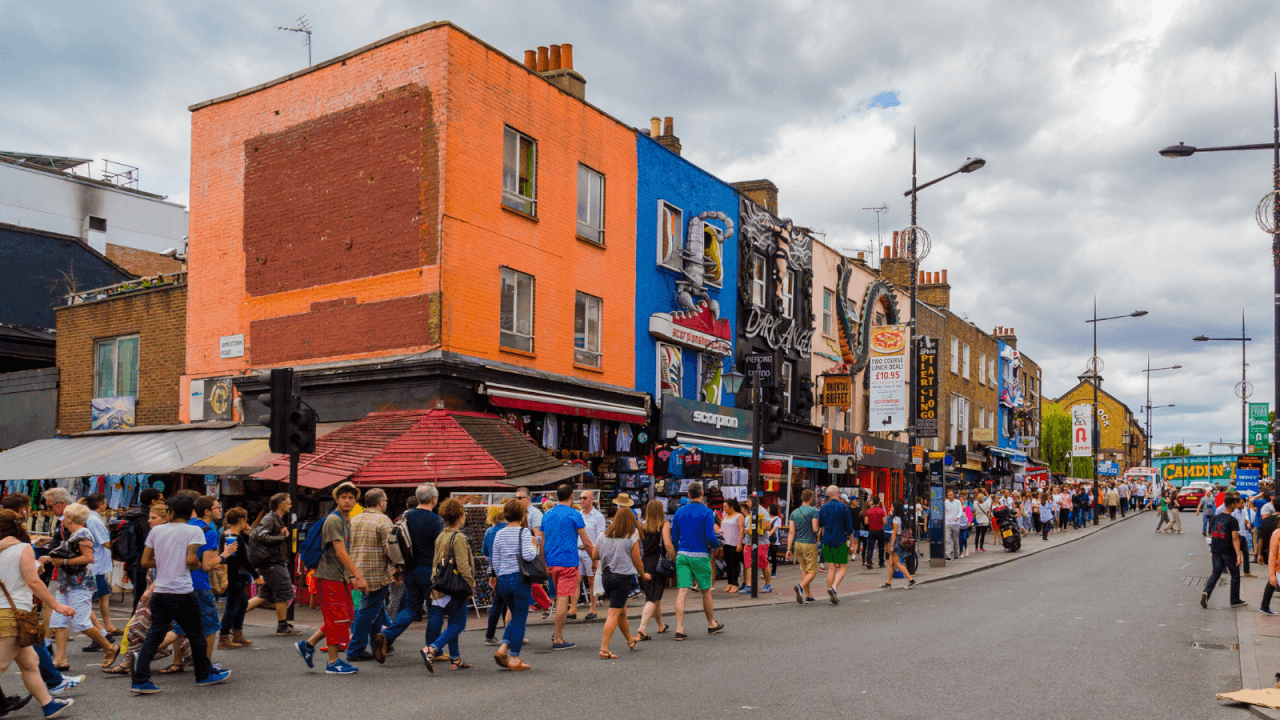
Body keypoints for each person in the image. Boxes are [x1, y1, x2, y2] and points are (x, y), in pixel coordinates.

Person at [131, 492, 231, 694]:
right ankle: (203, 675)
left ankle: (140, 678)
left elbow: (144, 562)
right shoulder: (194, 531)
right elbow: (192, 560)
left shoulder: (156, 532)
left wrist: (163, 563)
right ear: (190, 511)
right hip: (183, 591)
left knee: (155, 634)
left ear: (172, 511)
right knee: (196, 634)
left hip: (160, 591)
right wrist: (187, 564)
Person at [0, 495, 82, 699]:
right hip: (14, 609)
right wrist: (56, 606)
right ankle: (52, 687)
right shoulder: (22, 546)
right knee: (3, 663)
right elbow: (32, 580)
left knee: (30, 663)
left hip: (14, 608)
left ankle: (50, 701)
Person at [104, 504, 191, 677]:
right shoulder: (157, 535)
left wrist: (151, 588)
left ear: (166, 518)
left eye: (153, 518)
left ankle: (135, 661)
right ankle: (183, 660)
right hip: (159, 587)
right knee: (169, 626)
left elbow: (167, 564)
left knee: (140, 626)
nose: (149, 521)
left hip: (164, 589)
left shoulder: (168, 537)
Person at [295, 482, 368, 676]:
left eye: (351, 498)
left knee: (347, 615)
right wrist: (357, 576)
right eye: (343, 497)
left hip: (338, 576)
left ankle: (308, 645)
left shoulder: (346, 519)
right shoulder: (334, 520)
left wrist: (349, 576)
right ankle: (333, 662)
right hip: (328, 576)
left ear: (355, 500)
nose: (347, 500)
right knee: (337, 618)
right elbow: (341, 552)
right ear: (336, 499)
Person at [44, 503, 118, 671]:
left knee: (81, 623)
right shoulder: (74, 535)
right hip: (68, 583)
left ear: (70, 518)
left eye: (64, 516)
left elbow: (88, 558)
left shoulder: (83, 533)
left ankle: (109, 648)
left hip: (80, 584)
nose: (62, 520)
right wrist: (49, 559)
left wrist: (61, 561)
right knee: (58, 621)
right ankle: (60, 659)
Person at [376, 483, 442, 657]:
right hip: (429, 569)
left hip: (408, 568)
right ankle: (433, 648)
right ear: (434, 499)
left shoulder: (405, 517)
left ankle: (387, 636)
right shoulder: (436, 520)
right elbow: (441, 548)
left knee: (411, 608)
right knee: (435, 608)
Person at [421, 498, 475, 673]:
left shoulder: (441, 535)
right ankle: (433, 649)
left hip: (440, 585)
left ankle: (455, 658)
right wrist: (471, 585)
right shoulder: (458, 537)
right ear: (460, 516)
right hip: (456, 585)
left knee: (452, 621)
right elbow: (463, 565)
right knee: (458, 624)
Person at [541, 484, 594, 650]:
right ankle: (557, 637)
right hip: (568, 561)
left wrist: (543, 564)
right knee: (563, 598)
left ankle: (558, 632)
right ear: (571, 496)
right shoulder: (575, 514)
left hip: (551, 562)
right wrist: (595, 558)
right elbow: (586, 541)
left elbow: (542, 542)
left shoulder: (547, 514)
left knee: (558, 597)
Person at [591, 494, 644, 660]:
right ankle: (604, 648)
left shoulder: (603, 536)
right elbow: (637, 560)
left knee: (621, 611)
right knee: (614, 612)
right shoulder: (631, 538)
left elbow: (594, 555)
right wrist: (644, 574)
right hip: (623, 578)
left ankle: (629, 639)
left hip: (607, 576)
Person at [346, 488, 393, 663]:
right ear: (381, 502)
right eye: (386, 500)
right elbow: (391, 549)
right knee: (367, 610)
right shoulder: (383, 520)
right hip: (376, 573)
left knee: (376, 608)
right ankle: (356, 648)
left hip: (357, 571)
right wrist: (397, 568)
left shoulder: (354, 519)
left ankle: (377, 644)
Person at [671, 482, 723, 640]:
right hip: (700, 555)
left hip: (683, 554)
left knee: (682, 590)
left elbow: (674, 537)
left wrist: (677, 551)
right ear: (702, 495)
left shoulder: (679, 511)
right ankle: (711, 623)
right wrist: (717, 544)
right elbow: (709, 536)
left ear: (688, 495)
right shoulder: (708, 512)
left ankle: (679, 628)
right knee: (706, 590)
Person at [244, 493, 300, 636]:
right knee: (284, 593)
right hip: (273, 563)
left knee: (264, 595)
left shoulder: (276, 518)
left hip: (271, 563)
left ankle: (233, 620)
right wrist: (282, 536)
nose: (291, 506)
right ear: (281, 505)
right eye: (288, 503)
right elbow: (262, 536)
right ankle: (282, 627)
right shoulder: (270, 518)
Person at [490, 499, 537, 672]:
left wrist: (495, 575)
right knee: (520, 618)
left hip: (503, 579)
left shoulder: (499, 533)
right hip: (519, 578)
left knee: (515, 615)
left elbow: (495, 560)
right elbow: (529, 555)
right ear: (523, 514)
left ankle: (503, 648)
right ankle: (515, 658)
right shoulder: (524, 532)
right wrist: (535, 545)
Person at [186, 495, 234, 664]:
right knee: (210, 626)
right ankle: (205, 665)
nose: (220, 510)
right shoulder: (210, 532)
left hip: (182, 582)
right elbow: (207, 565)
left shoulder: (188, 525)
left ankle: (177, 661)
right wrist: (225, 554)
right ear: (207, 511)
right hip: (199, 582)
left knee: (180, 627)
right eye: (217, 507)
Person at [82, 495, 122, 639]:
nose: (106, 505)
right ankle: (100, 634)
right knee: (88, 601)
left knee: (104, 595)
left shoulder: (91, 518)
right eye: (105, 503)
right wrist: (121, 552)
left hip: (100, 564)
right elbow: (105, 542)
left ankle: (109, 625)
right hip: (97, 565)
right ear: (100, 505)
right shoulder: (94, 520)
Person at [217, 508, 256, 650]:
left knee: (243, 603)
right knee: (231, 608)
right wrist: (257, 576)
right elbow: (244, 559)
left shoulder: (225, 534)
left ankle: (237, 633)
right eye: (245, 519)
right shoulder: (237, 537)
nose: (247, 522)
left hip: (230, 575)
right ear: (241, 520)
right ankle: (224, 638)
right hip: (237, 576)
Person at [120, 488, 164, 613]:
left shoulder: (134, 516)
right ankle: (135, 628)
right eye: (161, 499)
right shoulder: (146, 521)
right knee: (142, 600)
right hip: (142, 565)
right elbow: (148, 545)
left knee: (140, 599)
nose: (163, 502)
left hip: (133, 563)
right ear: (153, 501)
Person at [636, 499, 673, 640]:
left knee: (653, 595)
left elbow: (634, 541)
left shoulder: (642, 526)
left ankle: (660, 625)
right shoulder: (663, 525)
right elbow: (668, 544)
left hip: (645, 562)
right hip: (658, 563)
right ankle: (642, 628)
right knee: (653, 597)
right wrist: (674, 558)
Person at [1202, 494, 1246, 610]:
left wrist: (1211, 551)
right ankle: (1234, 600)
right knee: (1235, 575)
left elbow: (1213, 535)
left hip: (1216, 550)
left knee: (1215, 573)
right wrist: (1238, 555)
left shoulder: (1215, 518)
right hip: (1228, 551)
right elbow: (1234, 538)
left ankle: (1206, 592)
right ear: (1232, 505)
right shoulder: (1232, 520)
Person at [818, 485, 853, 605]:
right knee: (843, 567)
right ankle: (833, 588)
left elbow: (821, 524)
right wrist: (852, 542)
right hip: (840, 539)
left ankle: (831, 596)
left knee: (831, 568)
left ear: (828, 494)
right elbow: (849, 528)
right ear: (838, 493)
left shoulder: (823, 508)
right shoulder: (844, 507)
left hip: (827, 539)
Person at [575, 490, 605, 621]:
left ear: (592, 499)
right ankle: (573, 609)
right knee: (576, 580)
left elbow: (600, 537)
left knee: (592, 580)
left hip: (591, 550)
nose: (581, 500)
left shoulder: (598, 516)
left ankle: (593, 609)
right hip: (578, 549)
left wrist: (596, 555)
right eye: (580, 498)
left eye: (584, 498)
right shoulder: (578, 515)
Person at [785, 489, 820, 604]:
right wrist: (818, 531)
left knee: (804, 569)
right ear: (811, 499)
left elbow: (791, 532)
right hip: (809, 543)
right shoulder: (813, 511)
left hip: (798, 544)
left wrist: (789, 548)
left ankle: (808, 596)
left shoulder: (794, 512)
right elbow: (815, 529)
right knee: (813, 571)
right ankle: (800, 586)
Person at [481, 505, 507, 647]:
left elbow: (484, 551)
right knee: (502, 603)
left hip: (492, 569)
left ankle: (495, 634)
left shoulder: (489, 531)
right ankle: (493, 634)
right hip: (506, 569)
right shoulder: (507, 530)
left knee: (499, 602)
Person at [739, 501, 772, 594]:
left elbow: (767, 526)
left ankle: (768, 584)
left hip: (760, 542)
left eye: (748, 501)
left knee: (763, 564)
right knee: (748, 564)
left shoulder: (762, 511)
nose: (746, 503)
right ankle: (749, 585)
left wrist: (752, 530)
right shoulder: (752, 511)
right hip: (749, 542)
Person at [881, 504, 916, 589]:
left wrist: (892, 545)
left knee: (897, 563)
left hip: (896, 541)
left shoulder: (896, 519)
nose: (890, 508)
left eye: (892, 506)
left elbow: (894, 533)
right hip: (899, 540)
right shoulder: (901, 518)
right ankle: (888, 583)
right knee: (891, 563)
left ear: (896, 509)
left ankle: (911, 580)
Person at [718, 499, 744, 594]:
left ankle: (735, 584)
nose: (724, 509)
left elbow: (741, 530)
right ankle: (729, 582)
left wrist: (740, 543)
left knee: (735, 564)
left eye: (725, 507)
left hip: (735, 543)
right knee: (728, 564)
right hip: (725, 543)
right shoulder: (725, 516)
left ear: (731, 507)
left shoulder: (739, 516)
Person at [1261, 506, 1280, 616]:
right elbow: (1272, 554)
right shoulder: (1277, 533)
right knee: (1272, 583)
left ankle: (1264, 606)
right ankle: (1264, 606)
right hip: (1278, 570)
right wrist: (1272, 575)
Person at [864, 496, 887, 569]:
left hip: (872, 530)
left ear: (873, 502)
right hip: (880, 530)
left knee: (870, 547)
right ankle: (881, 562)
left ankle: (869, 561)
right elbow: (885, 522)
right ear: (879, 501)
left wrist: (871, 521)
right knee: (881, 547)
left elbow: (866, 522)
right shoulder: (882, 511)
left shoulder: (869, 511)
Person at [943, 488, 963, 560]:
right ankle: (948, 554)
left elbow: (961, 511)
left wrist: (957, 517)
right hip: (947, 523)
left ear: (954, 495)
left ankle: (956, 553)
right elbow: (944, 512)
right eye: (948, 495)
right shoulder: (945, 503)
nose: (949, 496)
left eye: (951, 495)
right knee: (947, 539)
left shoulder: (957, 502)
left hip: (955, 523)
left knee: (955, 540)